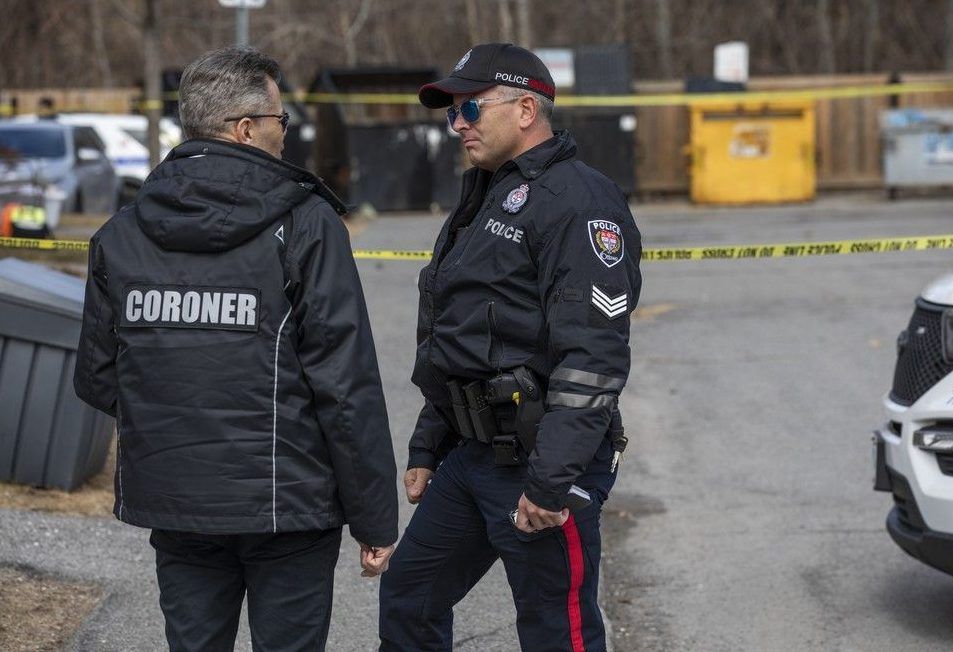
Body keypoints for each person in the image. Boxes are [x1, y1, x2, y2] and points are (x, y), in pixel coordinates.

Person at [73, 46, 398, 652]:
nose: (286, 134)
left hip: (179, 503)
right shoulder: (308, 224)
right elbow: (345, 383)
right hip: (289, 505)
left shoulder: (120, 233)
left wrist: (179, 420)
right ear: (247, 128)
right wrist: (376, 518)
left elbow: (97, 377)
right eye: (281, 122)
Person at [379, 43, 642, 651]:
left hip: (540, 459)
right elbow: (462, 337)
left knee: (557, 632)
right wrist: (428, 442)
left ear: (526, 108)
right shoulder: (487, 191)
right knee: (410, 596)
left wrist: (553, 483)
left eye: (470, 108)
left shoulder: (580, 202)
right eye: (452, 113)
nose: (458, 125)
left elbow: (593, 357)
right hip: (472, 455)